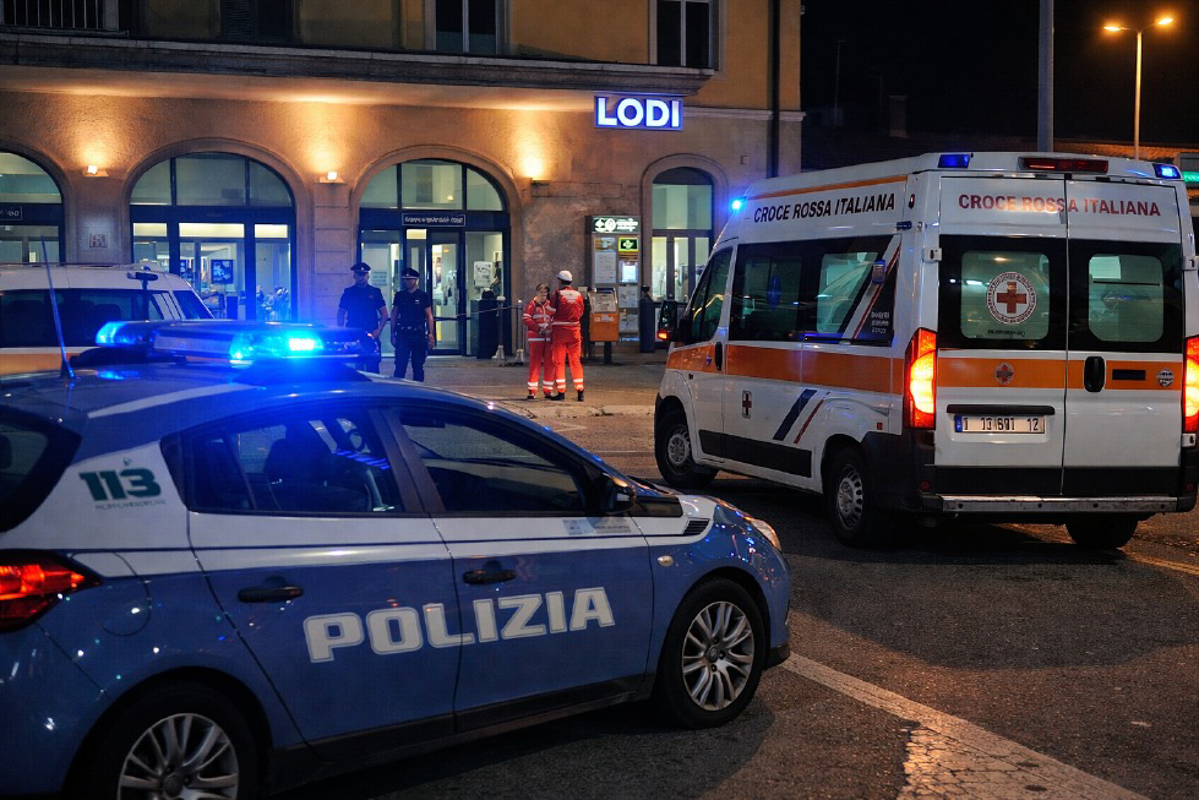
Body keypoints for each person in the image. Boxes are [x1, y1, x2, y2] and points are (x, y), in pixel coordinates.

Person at [337, 262, 387, 372]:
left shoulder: (375, 292)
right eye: (359, 274)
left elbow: (384, 313)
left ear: (368, 276)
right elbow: (341, 313)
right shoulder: (349, 293)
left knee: (373, 368)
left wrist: (378, 330)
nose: (361, 277)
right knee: (355, 368)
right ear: (354, 276)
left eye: (364, 274)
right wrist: (342, 331)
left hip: (370, 334)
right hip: (353, 334)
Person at [391, 266, 435, 381]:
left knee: (418, 366)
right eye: (405, 279)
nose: (407, 281)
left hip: (418, 334)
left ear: (415, 280)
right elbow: (394, 314)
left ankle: (418, 389)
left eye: (410, 279)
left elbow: (429, 315)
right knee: (400, 366)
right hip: (403, 334)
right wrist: (392, 333)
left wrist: (431, 334)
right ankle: (398, 389)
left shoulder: (422, 296)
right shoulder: (400, 296)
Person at [547, 269, 585, 402]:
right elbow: (581, 312)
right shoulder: (578, 295)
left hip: (560, 332)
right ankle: (580, 391)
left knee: (559, 362)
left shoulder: (557, 294)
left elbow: (551, 311)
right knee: (575, 361)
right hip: (575, 331)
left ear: (559, 280)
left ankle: (561, 392)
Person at [522, 282, 554, 400]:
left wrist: (549, 328)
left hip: (548, 338)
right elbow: (526, 319)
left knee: (549, 365)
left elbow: (553, 318)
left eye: (545, 292)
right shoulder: (532, 305)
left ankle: (548, 390)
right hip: (536, 338)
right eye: (541, 292)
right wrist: (538, 328)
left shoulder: (550, 305)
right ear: (536, 292)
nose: (543, 294)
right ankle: (532, 391)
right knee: (534, 364)